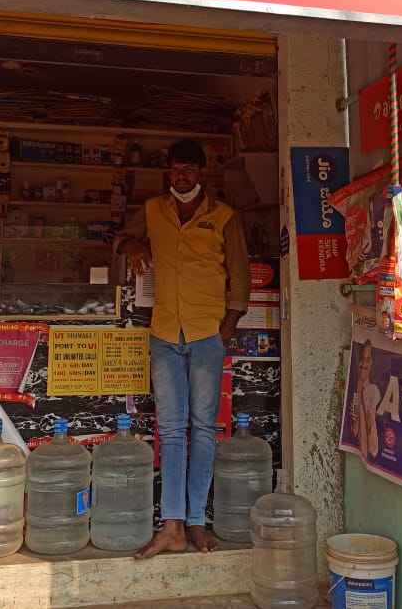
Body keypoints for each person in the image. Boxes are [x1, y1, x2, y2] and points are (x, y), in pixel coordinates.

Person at [113, 138, 250, 557]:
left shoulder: (223, 216)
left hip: (207, 334)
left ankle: (196, 523)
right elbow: (122, 237)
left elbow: (240, 275)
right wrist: (134, 245)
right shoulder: (154, 210)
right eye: (175, 169)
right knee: (171, 430)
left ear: (201, 173)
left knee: (203, 429)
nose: (182, 176)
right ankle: (171, 525)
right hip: (165, 334)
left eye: (189, 169)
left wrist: (226, 328)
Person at [351, 339, 381, 459]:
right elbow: (354, 431)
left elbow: (373, 449)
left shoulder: (371, 391)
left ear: (372, 364)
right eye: (362, 359)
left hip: (364, 456)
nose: (363, 364)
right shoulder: (355, 386)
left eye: (368, 360)